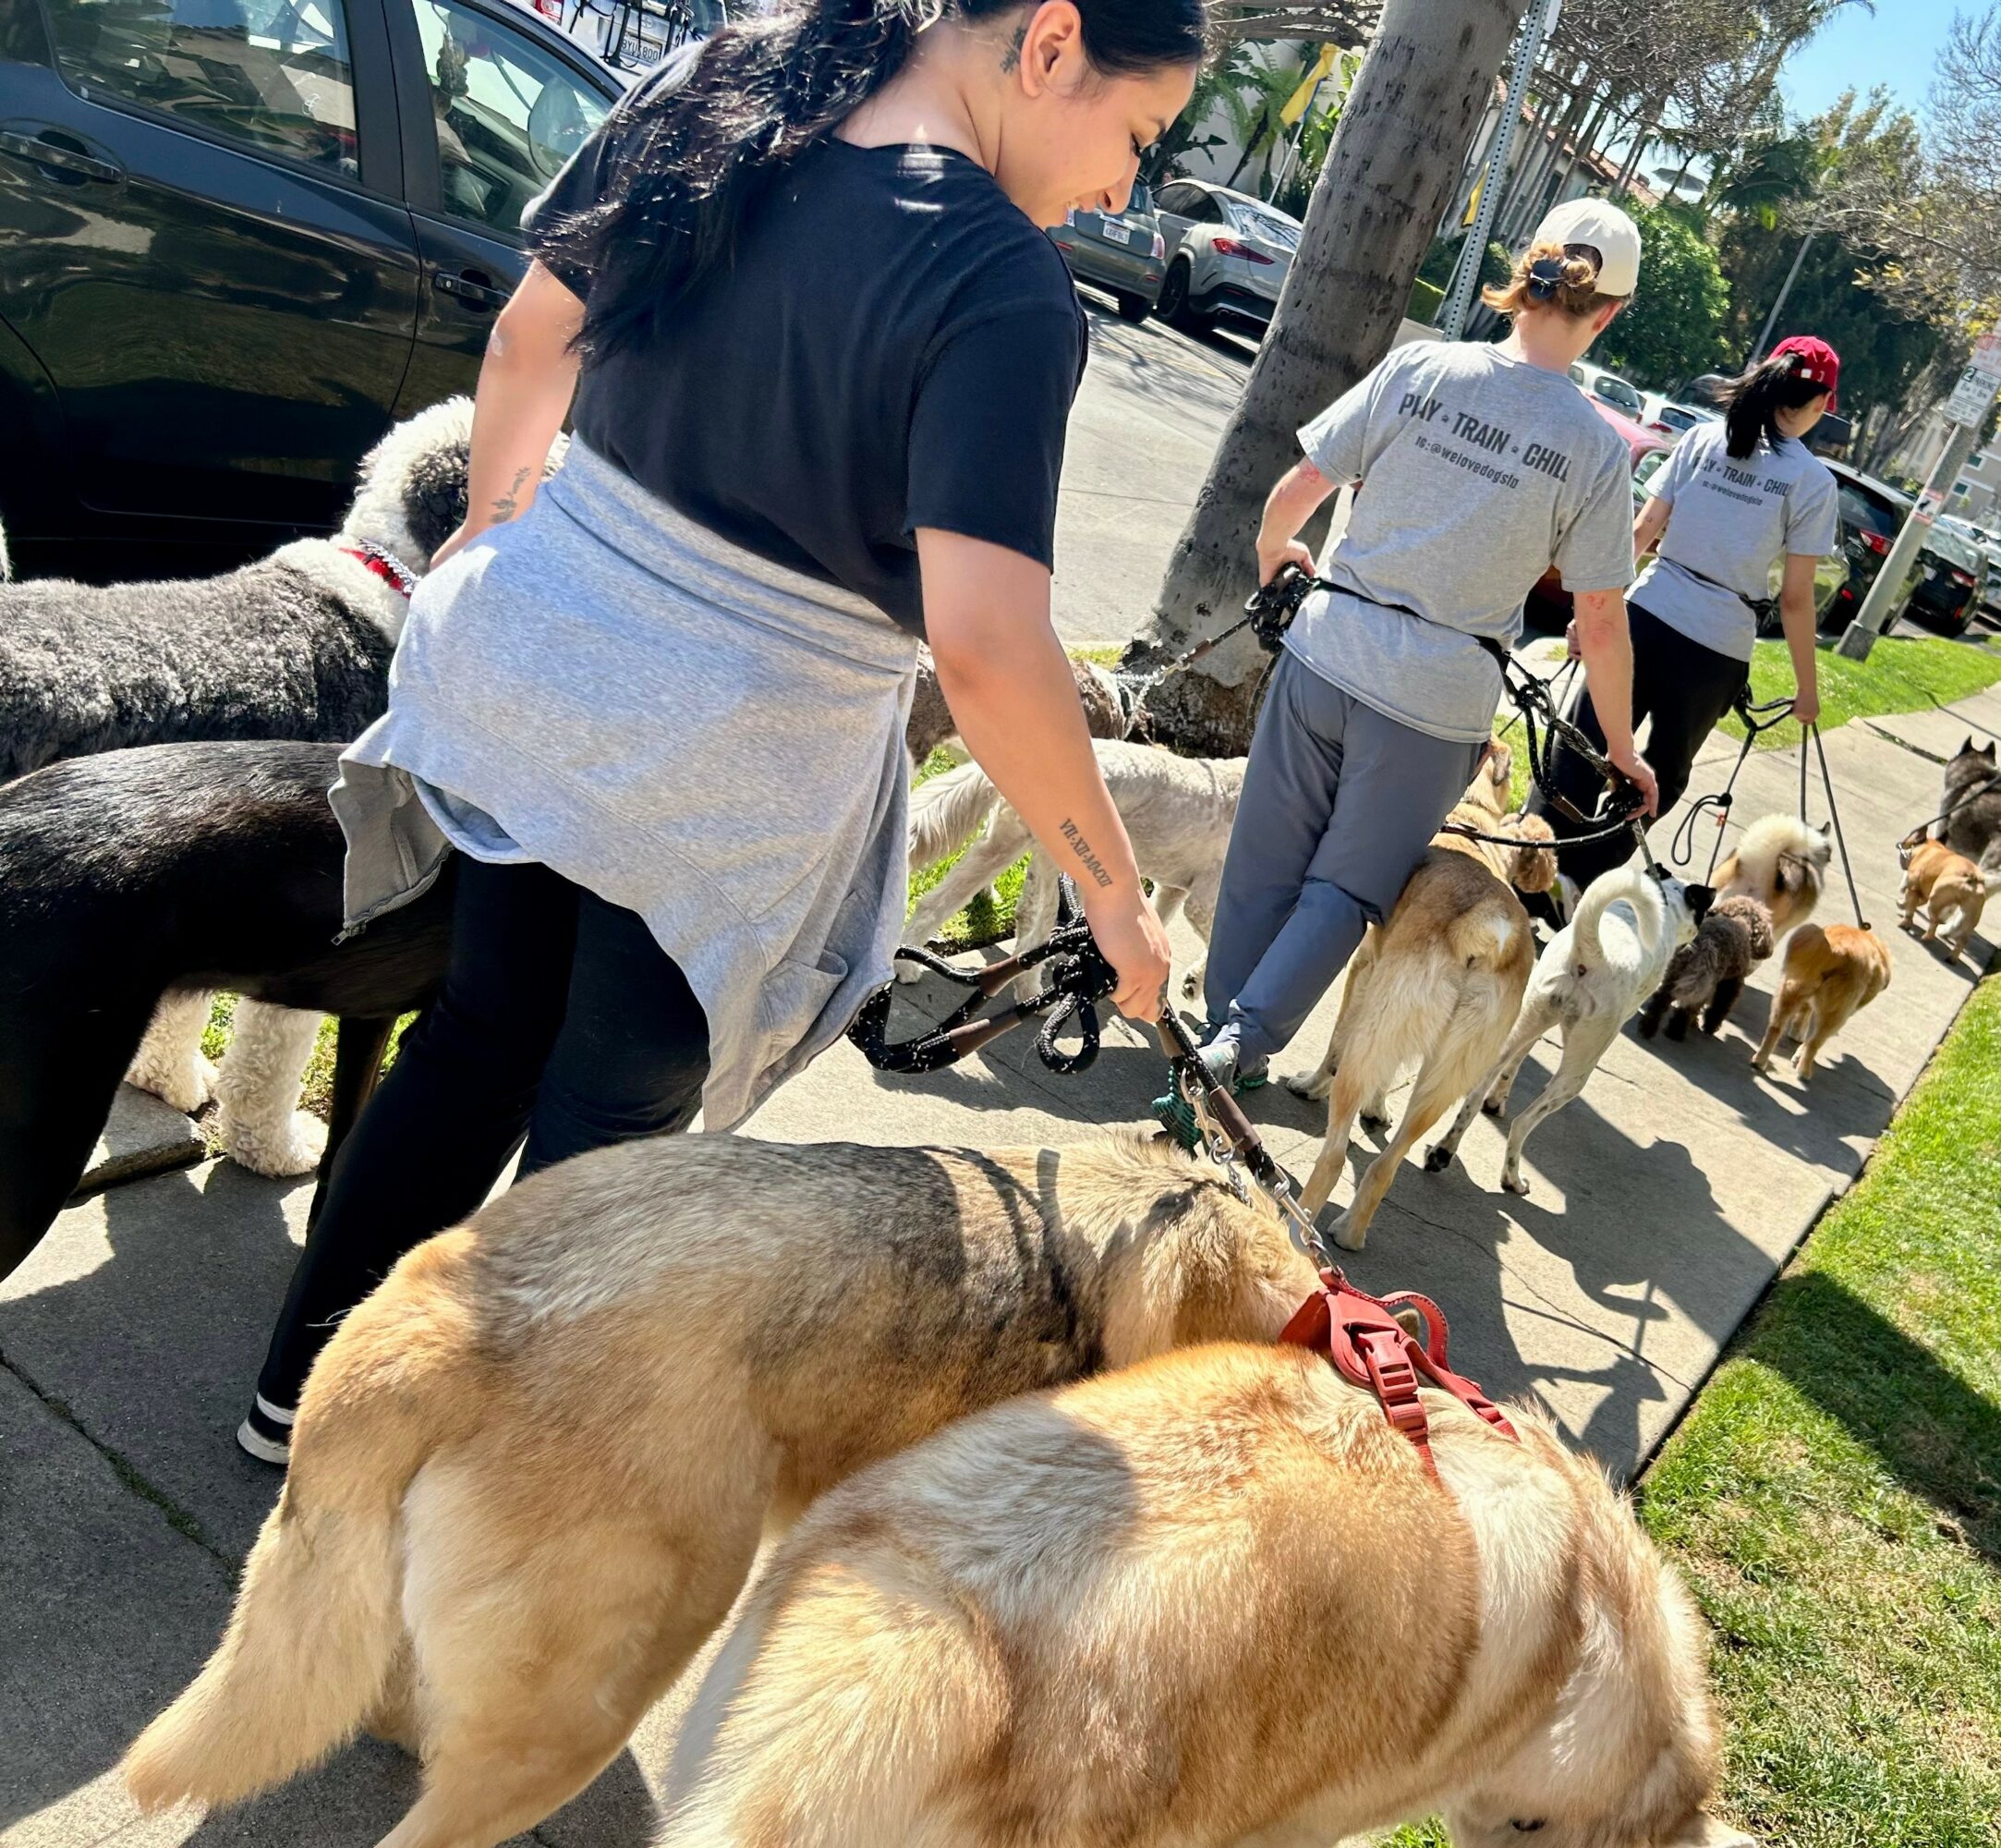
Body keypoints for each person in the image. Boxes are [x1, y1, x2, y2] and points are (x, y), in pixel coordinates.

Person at [236, 0, 1197, 1463]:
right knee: (603, 1151)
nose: (1125, 186)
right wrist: (1117, 901)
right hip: (720, 785)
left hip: (541, 680)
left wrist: (492, 532)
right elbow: (989, 650)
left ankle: (305, 1401)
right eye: (1137, 136)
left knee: (473, 1036)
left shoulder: (735, 84)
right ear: (1051, 42)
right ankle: (474, 1522)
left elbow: (526, 339)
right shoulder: (997, 283)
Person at [1163, 197, 1660, 1122]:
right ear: (1610, 312)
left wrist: (1280, 558)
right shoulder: (1596, 449)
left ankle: (1221, 1040)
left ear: (1528, 271)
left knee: (1263, 863)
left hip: (1324, 654)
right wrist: (1623, 750)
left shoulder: (1422, 366)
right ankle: (1238, 1047)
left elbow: (1300, 488)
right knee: (1344, 889)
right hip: (1434, 705)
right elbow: (1601, 620)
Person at [1530, 335, 1841, 902]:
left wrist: (1591, 609)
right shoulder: (1812, 484)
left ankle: (1535, 863)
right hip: (1715, 651)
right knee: (1660, 776)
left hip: (1645, 615)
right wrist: (1806, 689)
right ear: (1818, 404)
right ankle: (1579, 880)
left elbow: (1642, 532)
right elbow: (1796, 600)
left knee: (1581, 741)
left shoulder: (1700, 440)